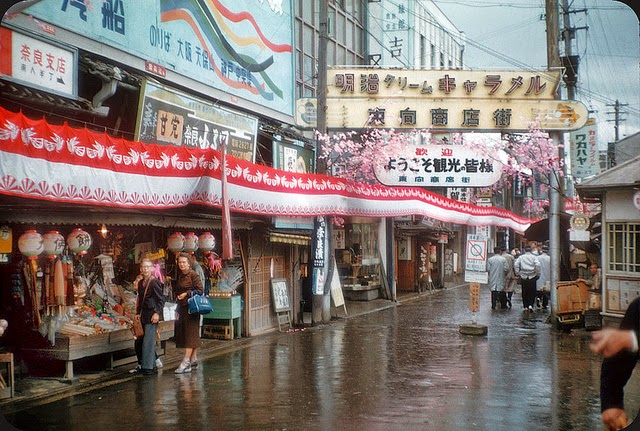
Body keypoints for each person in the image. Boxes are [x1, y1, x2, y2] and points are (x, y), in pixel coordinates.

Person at [590, 296, 640, 430]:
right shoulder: (638, 307)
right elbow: (619, 357)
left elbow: (625, 340)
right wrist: (611, 403)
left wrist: (631, 339)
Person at [131, 258, 164, 375]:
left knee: (148, 342)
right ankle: (143, 364)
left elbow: (160, 300)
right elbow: (140, 300)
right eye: (143, 267)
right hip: (142, 315)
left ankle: (149, 368)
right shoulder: (141, 283)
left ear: (152, 268)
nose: (145, 269)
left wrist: (157, 313)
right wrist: (137, 314)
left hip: (151, 315)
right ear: (140, 269)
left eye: (147, 267)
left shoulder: (154, 282)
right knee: (139, 341)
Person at [174, 252, 205, 374]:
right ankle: (193, 358)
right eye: (180, 262)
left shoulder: (193, 275)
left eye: (184, 262)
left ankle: (186, 362)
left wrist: (187, 294)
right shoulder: (181, 275)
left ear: (189, 263)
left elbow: (201, 290)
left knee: (190, 334)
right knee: (189, 334)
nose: (181, 264)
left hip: (192, 308)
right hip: (182, 308)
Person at [514, 246, 541, 312]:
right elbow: (538, 265)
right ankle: (530, 305)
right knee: (532, 291)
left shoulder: (521, 257)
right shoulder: (534, 257)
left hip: (523, 276)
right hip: (532, 275)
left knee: (524, 291)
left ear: (524, 250)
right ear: (531, 250)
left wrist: (518, 273)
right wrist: (537, 272)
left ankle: (525, 306)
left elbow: (516, 264)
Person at [535, 245, 551, 309]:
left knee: (539, 288)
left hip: (539, 275)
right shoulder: (550, 258)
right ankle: (545, 304)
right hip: (548, 275)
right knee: (546, 290)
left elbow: (535, 266)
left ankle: (538, 297)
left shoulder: (537, 258)